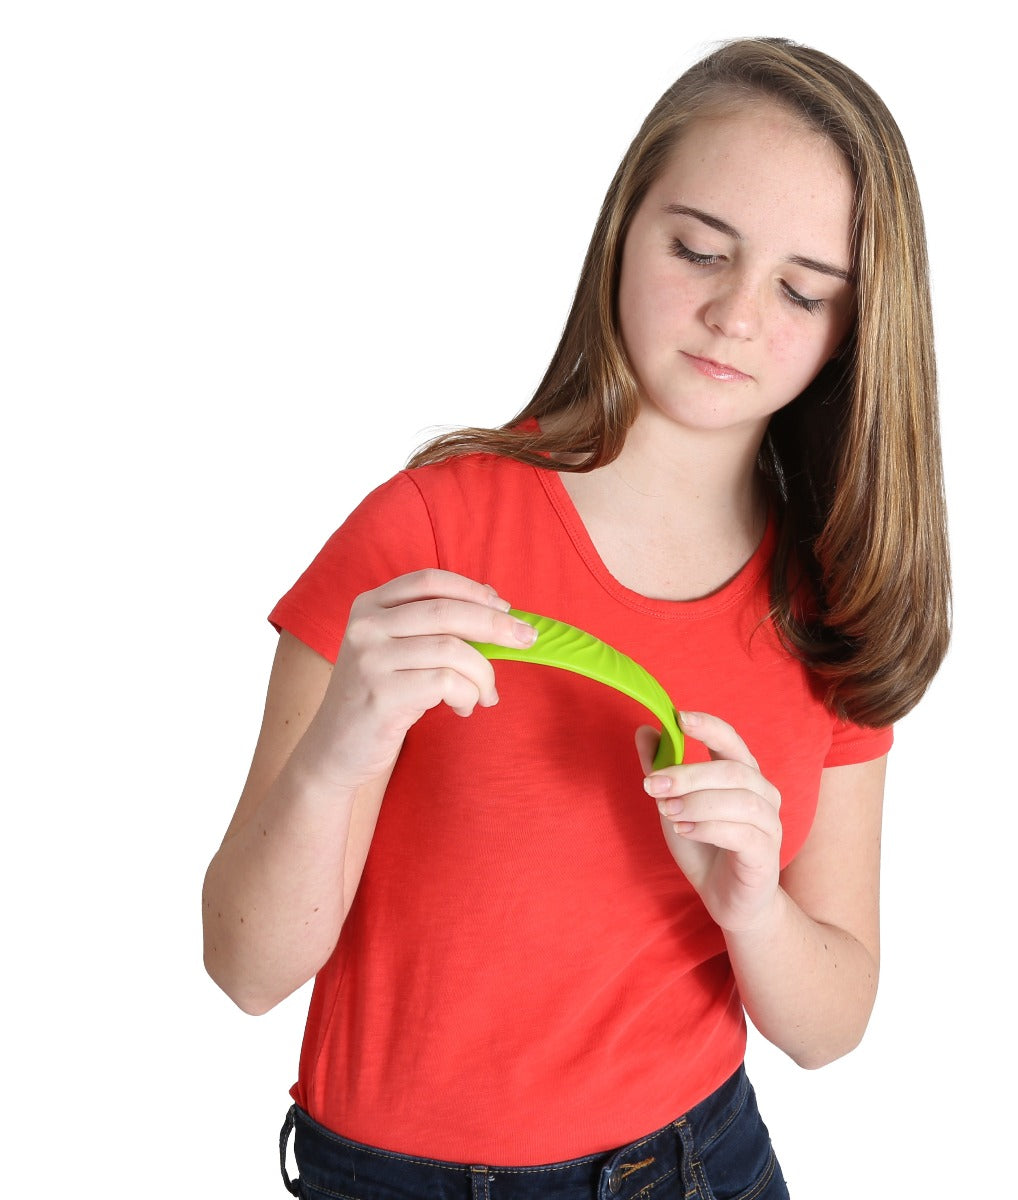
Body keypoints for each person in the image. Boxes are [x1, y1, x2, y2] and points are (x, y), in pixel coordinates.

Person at [203, 36, 950, 1199]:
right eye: (700, 248)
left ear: (855, 329)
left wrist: (750, 907)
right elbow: (247, 970)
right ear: (622, 231)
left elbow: (830, 1019)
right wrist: (332, 760)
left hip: (702, 1163)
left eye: (803, 290)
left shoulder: (828, 602)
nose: (735, 313)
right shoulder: (424, 532)